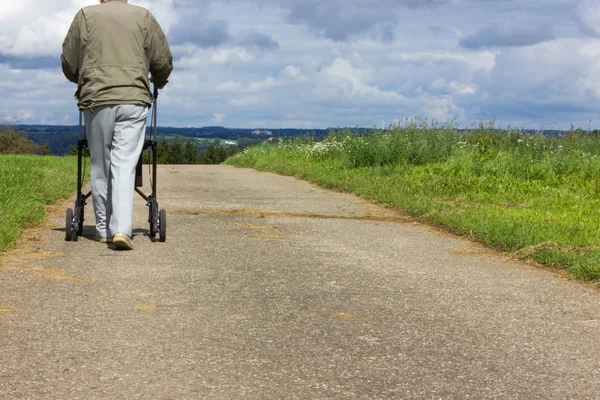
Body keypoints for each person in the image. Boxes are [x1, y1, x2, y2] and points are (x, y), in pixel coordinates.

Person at [61, 0, 173, 250]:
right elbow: (162, 60)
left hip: (96, 99)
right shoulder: (143, 16)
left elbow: (69, 62)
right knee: (124, 165)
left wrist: (79, 76)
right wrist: (161, 79)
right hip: (133, 98)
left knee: (101, 164)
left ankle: (103, 229)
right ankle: (122, 228)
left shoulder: (85, 16)